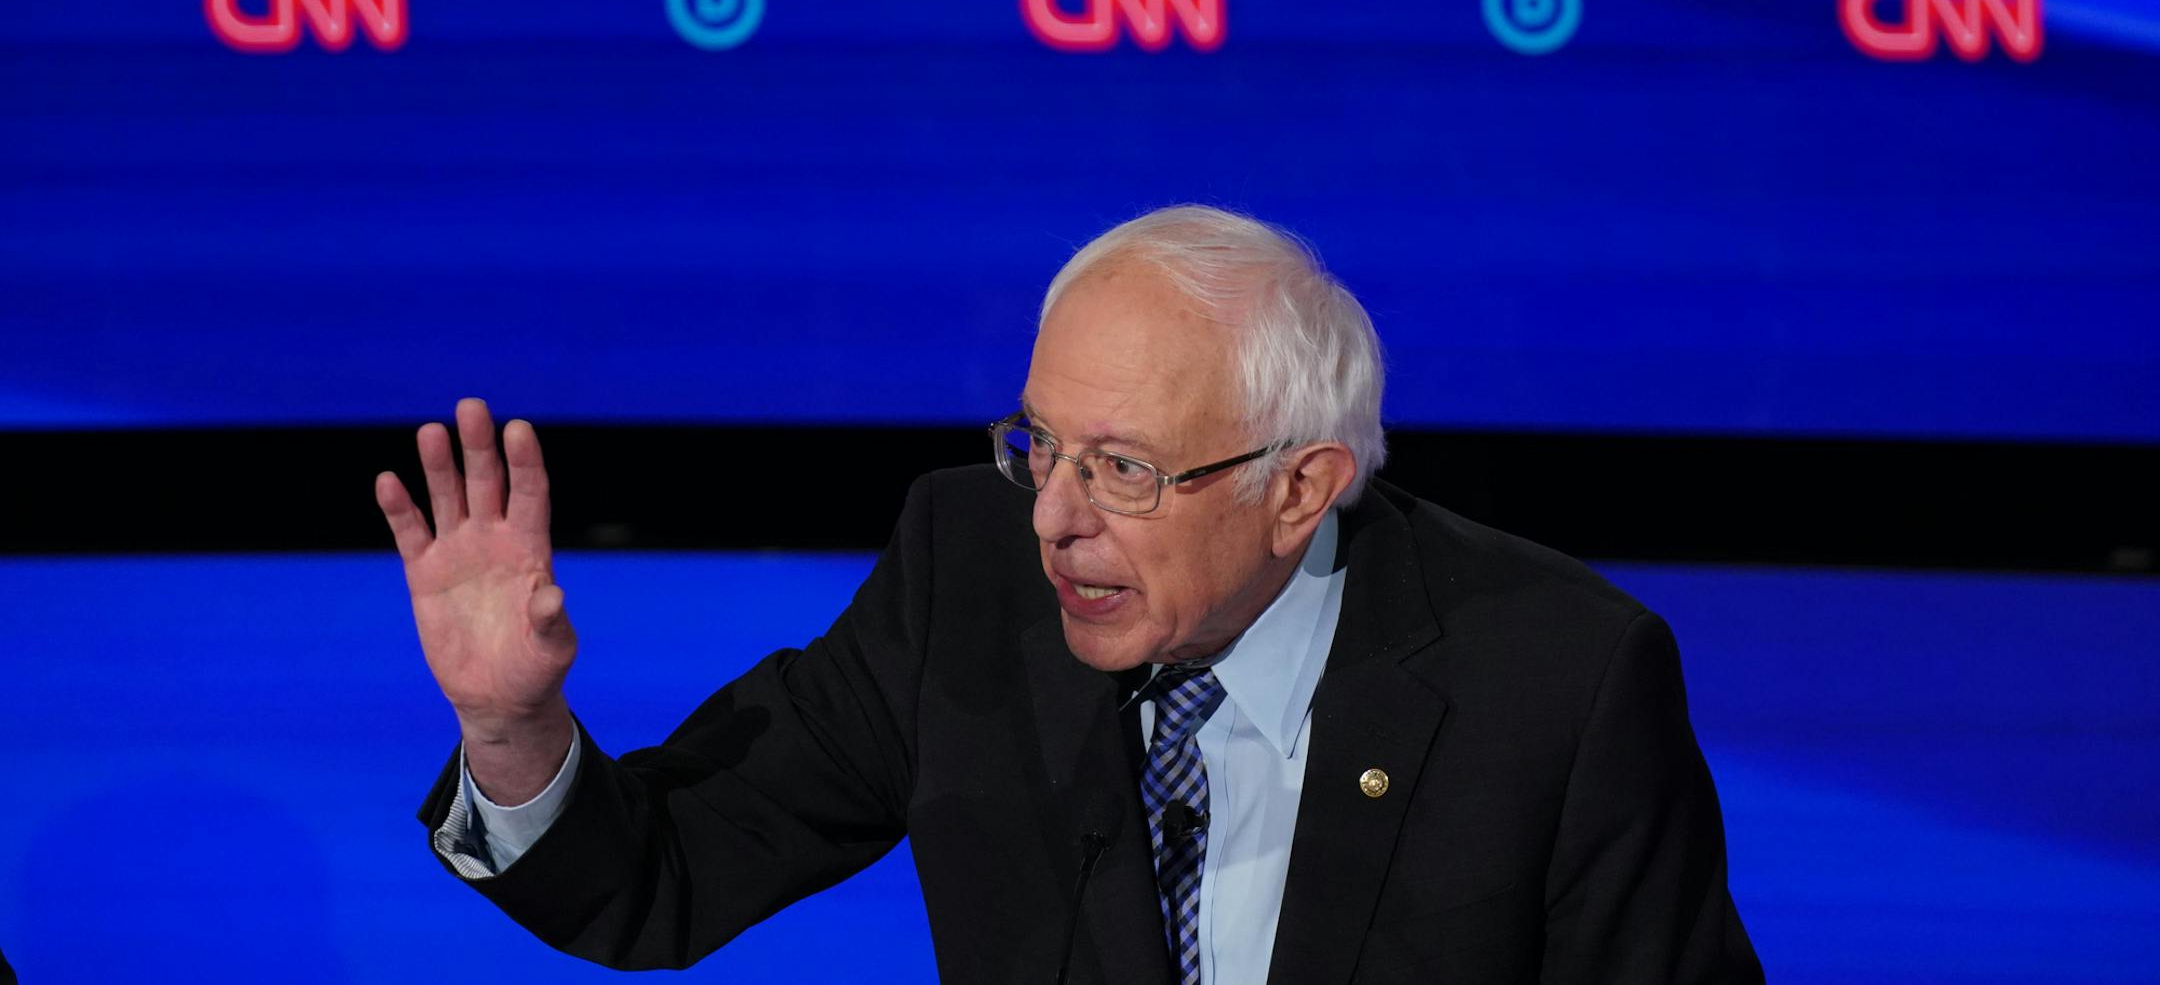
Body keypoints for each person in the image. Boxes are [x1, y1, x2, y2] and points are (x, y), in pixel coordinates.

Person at [381, 205, 1764, 984]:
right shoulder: (964, 575)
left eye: (1124, 469)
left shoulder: (1560, 682)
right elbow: (662, 878)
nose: (1051, 517)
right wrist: (513, 729)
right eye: (1038, 443)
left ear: (1300, 486)